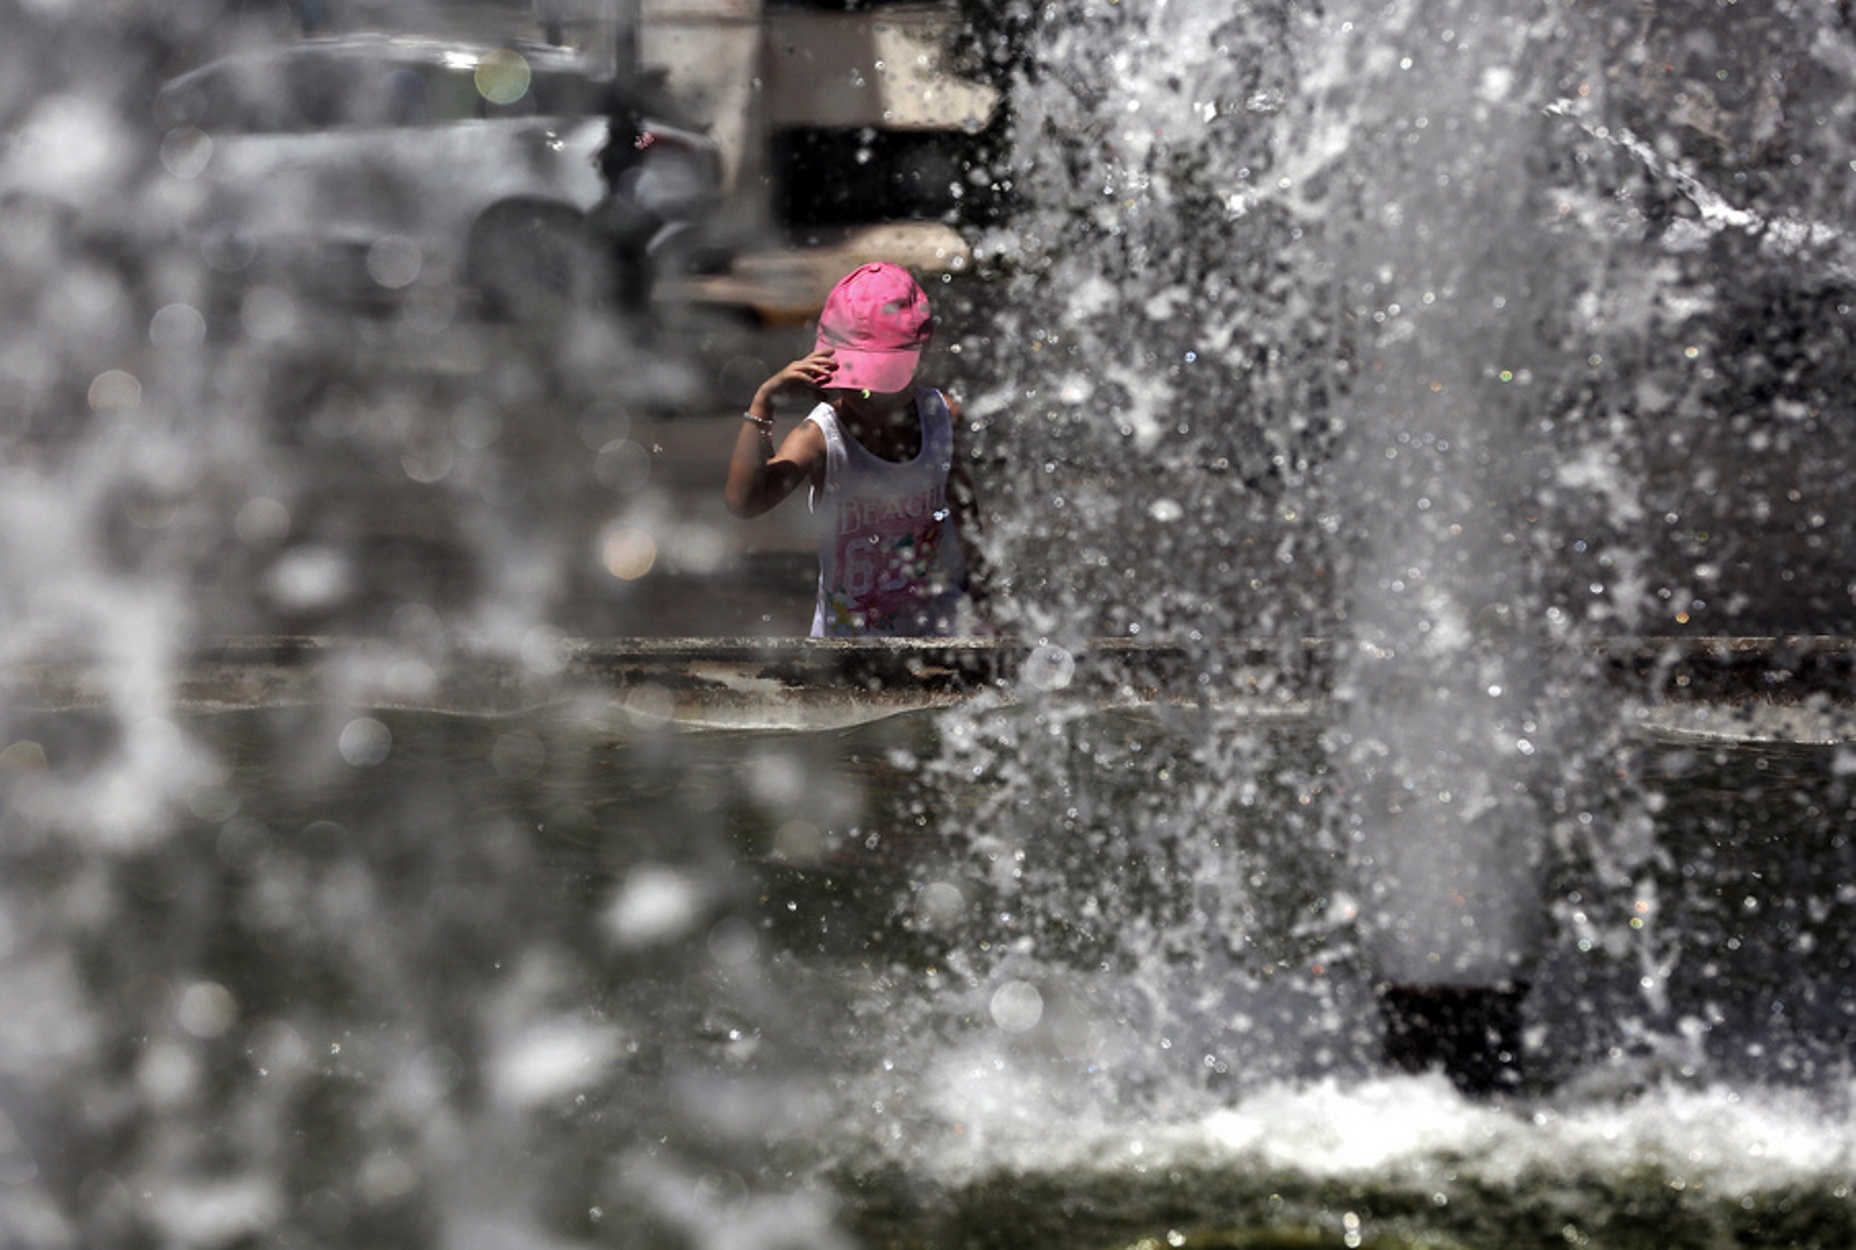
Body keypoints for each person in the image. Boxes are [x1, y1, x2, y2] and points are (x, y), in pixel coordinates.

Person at [725, 262, 987, 637]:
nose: (866, 394)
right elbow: (745, 501)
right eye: (856, 377)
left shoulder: (941, 417)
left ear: (918, 361)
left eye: (881, 380)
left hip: (935, 628)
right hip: (846, 641)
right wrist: (763, 403)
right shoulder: (821, 436)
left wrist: (981, 589)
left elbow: (962, 505)